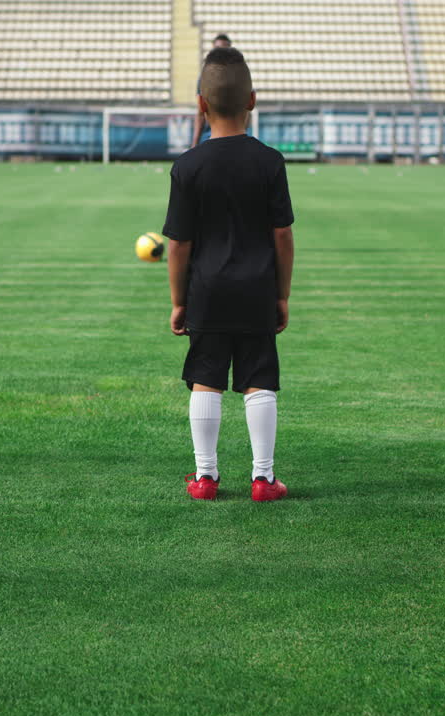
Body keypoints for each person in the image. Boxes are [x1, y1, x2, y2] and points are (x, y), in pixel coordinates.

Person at [162, 47, 295, 502]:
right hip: (258, 288)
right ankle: (263, 479)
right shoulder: (270, 162)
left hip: (207, 291)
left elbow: (178, 244)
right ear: (252, 100)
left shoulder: (188, 166)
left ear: (201, 104)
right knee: (260, 378)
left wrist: (179, 301)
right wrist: (282, 294)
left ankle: (205, 479)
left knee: (207, 377)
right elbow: (283, 236)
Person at [190, 34, 233, 148]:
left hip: (234, 135)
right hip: (210, 136)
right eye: (218, 49)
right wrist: (194, 145)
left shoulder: (240, 76)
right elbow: (200, 113)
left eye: (225, 49)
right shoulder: (205, 77)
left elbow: (246, 111)